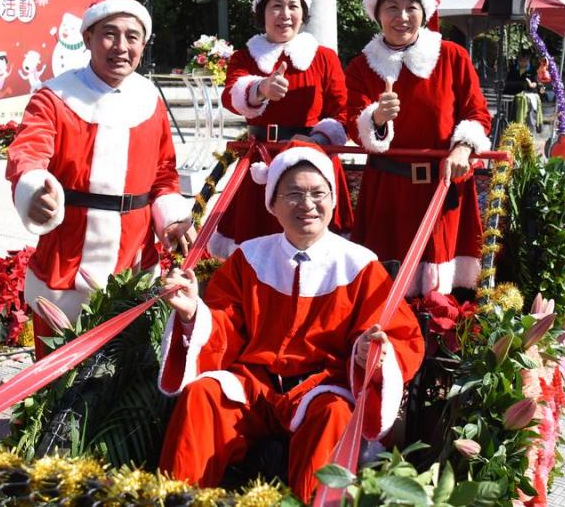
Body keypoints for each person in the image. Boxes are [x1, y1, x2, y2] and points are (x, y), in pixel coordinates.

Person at [158, 144, 424, 502]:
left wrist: (369, 351)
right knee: (202, 396)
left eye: (318, 193)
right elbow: (225, 325)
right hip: (254, 384)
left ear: (333, 199)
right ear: (273, 203)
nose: (307, 204)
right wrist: (193, 313)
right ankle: (176, 499)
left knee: (333, 415)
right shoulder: (249, 257)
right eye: (294, 194)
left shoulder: (360, 265)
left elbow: (396, 334)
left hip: (319, 389)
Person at [5, 0, 195, 357]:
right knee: (57, 378)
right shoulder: (55, 96)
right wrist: (34, 189)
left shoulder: (149, 99)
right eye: (109, 34)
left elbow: (164, 174)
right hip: (68, 258)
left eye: (132, 37)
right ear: (88, 38)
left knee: (126, 380)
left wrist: (171, 218)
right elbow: (28, 152)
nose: (121, 47)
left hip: (134, 260)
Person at [345, 0, 491, 296]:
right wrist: (378, 119)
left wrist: (463, 148)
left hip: (443, 189)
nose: (402, 16)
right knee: (384, 285)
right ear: (377, 14)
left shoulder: (452, 57)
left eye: (411, 7)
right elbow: (352, 123)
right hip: (388, 192)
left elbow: (476, 112)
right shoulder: (361, 67)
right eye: (392, 8)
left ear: (424, 12)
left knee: (446, 289)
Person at [211, 0, 353, 258]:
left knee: (316, 247)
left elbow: (343, 113)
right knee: (257, 247)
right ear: (261, 11)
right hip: (260, 159)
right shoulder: (246, 57)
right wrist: (260, 88)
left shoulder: (324, 57)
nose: (285, 14)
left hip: (314, 160)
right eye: (276, 5)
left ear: (304, 12)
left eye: (293, 5)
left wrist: (316, 139)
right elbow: (231, 94)